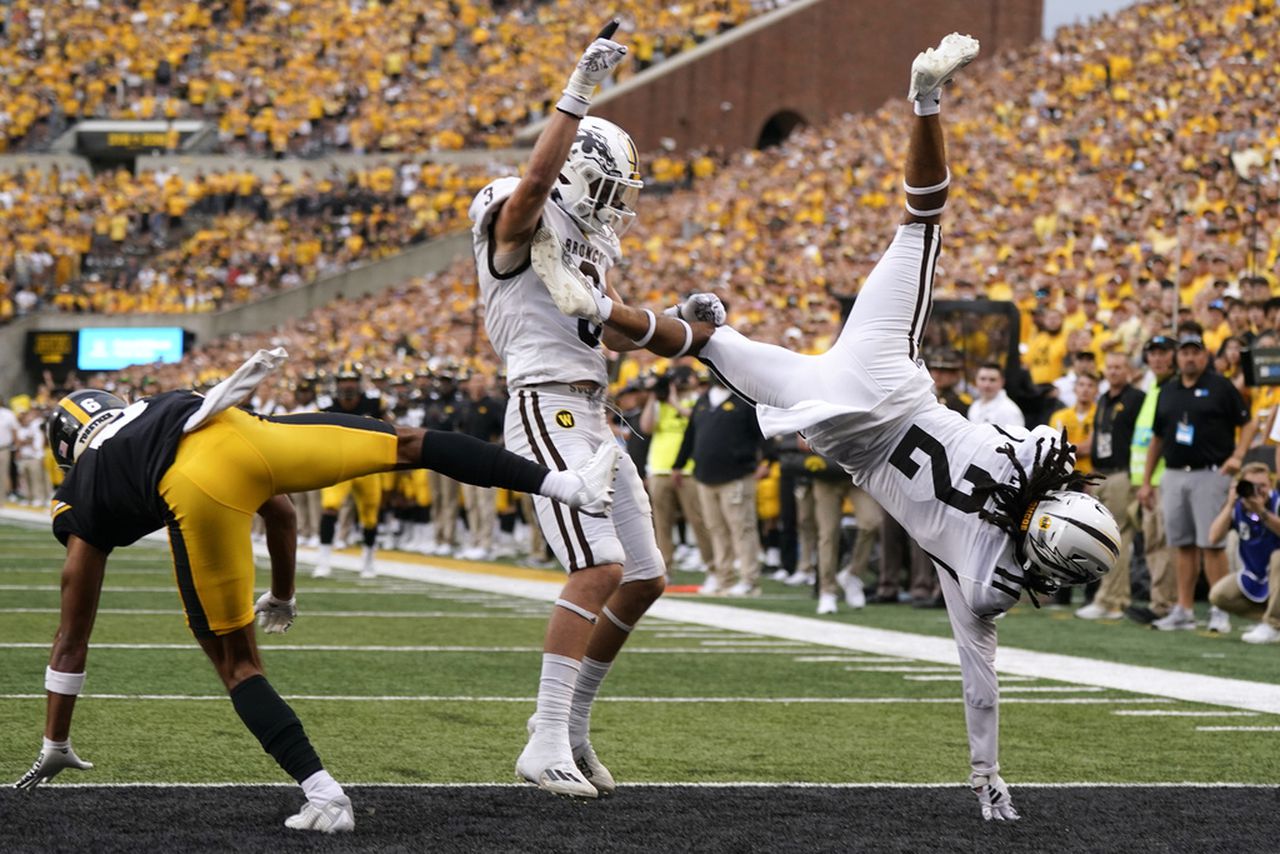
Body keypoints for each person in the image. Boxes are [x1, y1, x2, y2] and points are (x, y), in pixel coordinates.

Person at [534, 33, 1121, 821]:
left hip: (883, 376)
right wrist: (986, 774)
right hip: (849, 428)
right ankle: (605, 310)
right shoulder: (989, 584)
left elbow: (1051, 459)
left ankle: (924, 101)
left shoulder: (1044, 455)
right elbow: (979, 684)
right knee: (716, 342)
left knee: (921, 224)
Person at [11, 348, 619, 832]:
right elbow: (280, 512)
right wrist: (282, 593)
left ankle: (323, 794)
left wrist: (55, 739)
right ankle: (569, 488)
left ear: (67, 448)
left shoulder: (84, 484)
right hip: (240, 433)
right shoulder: (150, 404)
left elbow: (71, 638)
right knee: (406, 443)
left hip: (196, 483)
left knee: (239, 664)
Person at [468, 22, 675, 799]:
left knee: (645, 575)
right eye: (610, 189)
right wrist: (576, 95)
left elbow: (614, 341)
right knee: (599, 566)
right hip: (544, 403)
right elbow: (526, 195)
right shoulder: (520, 211)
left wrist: (659, 315)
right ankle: (543, 738)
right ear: (577, 173)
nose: (617, 208)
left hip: (591, 404)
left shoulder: (590, 245)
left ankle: (573, 726)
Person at [1138, 329, 1255, 632]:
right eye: (1185, 352)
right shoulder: (1169, 391)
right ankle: (1184, 610)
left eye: (1195, 352)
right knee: (1182, 544)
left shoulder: (1220, 386)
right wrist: (1148, 481)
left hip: (1210, 472)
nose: (1189, 357)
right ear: (1178, 357)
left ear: (1205, 355)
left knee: (1212, 544)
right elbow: (1158, 439)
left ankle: (1220, 609)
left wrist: (1238, 456)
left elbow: (1248, 422)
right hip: (1175, 474)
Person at [671, 373, 771, 597]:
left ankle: (749, 580)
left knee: (742, 528)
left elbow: (763, 433)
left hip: (737, 475)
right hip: (705, 476)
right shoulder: (704, 400)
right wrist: (678, 464)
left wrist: (769, 460)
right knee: (716, 529)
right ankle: (723, 578)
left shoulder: (744, 401)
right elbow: (691, 434)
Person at [1076, 352, 1145, 619]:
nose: (1114, 371)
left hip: (1122, 472)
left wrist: (1138, 478)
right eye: (1111, 367)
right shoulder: (1103, 399)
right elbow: (1099, 439)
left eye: (1119, 366)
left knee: (1116, 537)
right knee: (1109, 536)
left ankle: (1110, 600)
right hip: (1103, 473)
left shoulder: (1135, 398)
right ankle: (1116, 597)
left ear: (1129, 370)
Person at [312, 361, 388, 579]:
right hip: (340, 464)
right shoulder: (326, 404)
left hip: (368, 465)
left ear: (359, 383)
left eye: (352, 380)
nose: (347, 386)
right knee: (330, 507)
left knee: (370, 515)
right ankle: (324, 560)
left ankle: (368, 561)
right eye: (344, 381)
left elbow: (390, 427)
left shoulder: (374, 403)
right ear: (337, 384)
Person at [1125, 335, 1178, 624]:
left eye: (1163, 352)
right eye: (1153, 353)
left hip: (1159, 480)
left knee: (1162, 543)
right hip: (1145, 479)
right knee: (1154, 545)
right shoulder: (1154, 387)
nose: (1157, 358)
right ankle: (1161, 601)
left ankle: (1164, 604)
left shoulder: (1170, 389)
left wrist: (1149, 482)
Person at [1207, 463, 1280, 643]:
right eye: (1250, 486)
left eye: (1262, 485)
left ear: (1270, 485)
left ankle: (1272, 624)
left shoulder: (1277, 502)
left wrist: (1262, 512)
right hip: (1256, 574)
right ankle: (1269, 619)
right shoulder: (1238, 507)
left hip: (1276, 573)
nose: (1257, 491)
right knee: (1219, 595)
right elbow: (1213, 537)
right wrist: (1231, 503)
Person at [967, 363, 1025, 427]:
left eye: (992, 380)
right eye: (982, 379)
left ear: (1002, 382)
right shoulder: (974, 406)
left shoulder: (1009, 411)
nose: (986, 385)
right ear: (976, 380)